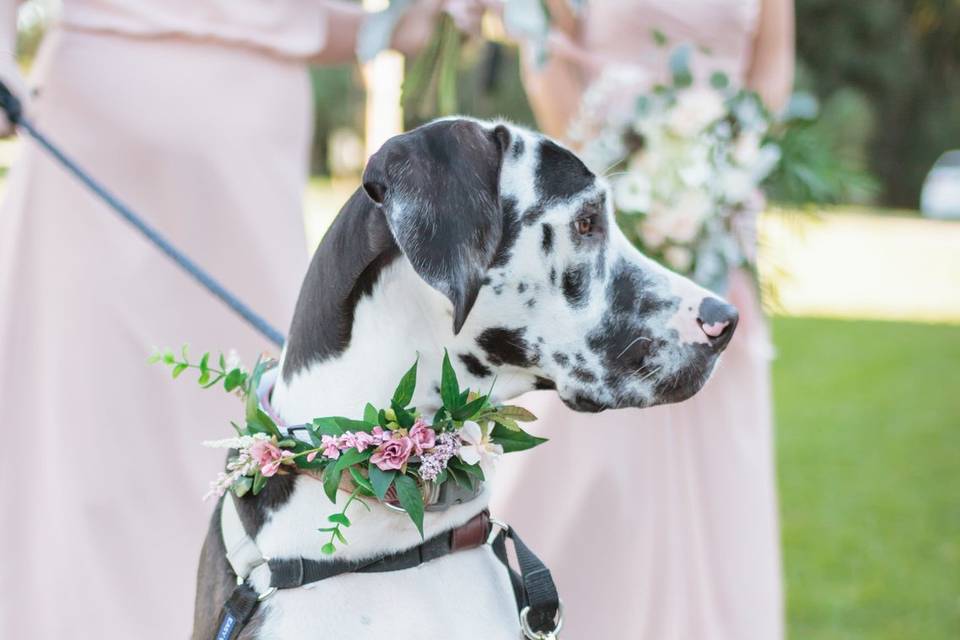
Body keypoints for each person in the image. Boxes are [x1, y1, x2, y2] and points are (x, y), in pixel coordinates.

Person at [0, 1, 443, 637]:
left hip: (241, 135)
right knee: (84, 416)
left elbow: (374, 27)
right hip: (101, 122)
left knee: (242, 414)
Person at [485, 1, 795, 638]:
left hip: (717, 216)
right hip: (609, 214)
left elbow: (771, 70)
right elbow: (546, 55)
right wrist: (616, 178)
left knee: (718, 459)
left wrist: (720, 170)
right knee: (592, 453)